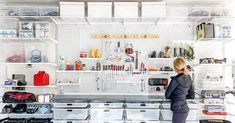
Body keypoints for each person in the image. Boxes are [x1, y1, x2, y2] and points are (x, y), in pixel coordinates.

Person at [165, 57, 195, 123]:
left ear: (175, 68)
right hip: (184, 108)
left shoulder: (175, 80)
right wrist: (182, 96)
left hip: (177, 109)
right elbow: (192, 96)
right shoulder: (189, 78)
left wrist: (175, 97)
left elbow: (167, 95)